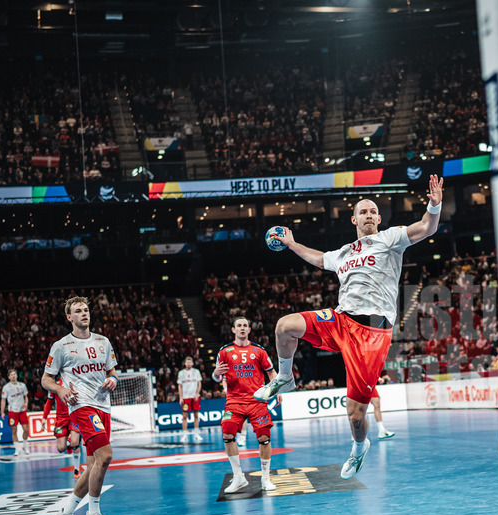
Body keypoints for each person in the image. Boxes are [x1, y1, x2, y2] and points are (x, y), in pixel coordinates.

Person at [254, 175, 444, 479]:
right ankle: (285, 377)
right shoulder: (343, 252)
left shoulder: (391, 238)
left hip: (372, 335)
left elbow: (425, 228)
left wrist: (434, 206)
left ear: (379, 218)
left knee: (356, 416)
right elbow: (318, 259)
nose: (368, 215)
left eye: (373, 211)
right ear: (354, 218)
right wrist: (291, 244)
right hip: (340, 320)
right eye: (363, 212)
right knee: (284, 326)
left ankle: (359, 448)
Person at [43, 296, 119, 515]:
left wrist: (113, 380)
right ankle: (93, 514)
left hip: (103, 405)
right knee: (105, 456)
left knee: (95, 463)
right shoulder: (61, 346)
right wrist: (61, 389)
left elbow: (113, 371)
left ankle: (65, 513)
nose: (84, 313)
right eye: (78, 311)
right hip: (81, 406)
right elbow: (46, 379)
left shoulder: (103, 342)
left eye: (86, 310)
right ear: (69, 317)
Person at [214, 317, 278, 494]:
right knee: (227, 433)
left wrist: (277, 391)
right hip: (234, 400)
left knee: (264, 437)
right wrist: (215, 374)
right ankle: (239, 477)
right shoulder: (225, 351)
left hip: (257, 400)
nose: (242, 328)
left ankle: (265, 479)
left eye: (245, 326)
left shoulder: (259, 350)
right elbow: (217, 377)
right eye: (239, 326)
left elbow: (271, 372)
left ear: (249, 329)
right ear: (233, 330)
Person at [42, 376, 84, 477]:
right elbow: (49, 402)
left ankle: (76, 470)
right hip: (61, 419)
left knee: (75, 442)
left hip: (74, 415)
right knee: (61, 448)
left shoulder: (75, 380)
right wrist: (44, 418)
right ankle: (70, 444)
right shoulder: (55, 385)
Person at [0, 369, 30, 456]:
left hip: (22, 411)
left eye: (14, 374)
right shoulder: (6, 388)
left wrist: (26, 403)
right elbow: (3, 400)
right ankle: (17, 449)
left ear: (17, 376)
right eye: (11, 375)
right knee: (14, 430)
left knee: (26, 429)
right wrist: (2, 412)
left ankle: (25, 445)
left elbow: (26, 397)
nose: (13, 376)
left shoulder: (22, 385)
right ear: (9, 377)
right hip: (12, 411)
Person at [177, 356, 203, 441]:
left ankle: (196, 434)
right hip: (186, 398)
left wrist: (197, 394)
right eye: (187, 362)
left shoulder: (196, 372)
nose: (188, 363)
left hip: (194, 397)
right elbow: (179, 386)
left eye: (190, 362)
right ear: (185, 363)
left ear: (192, 363)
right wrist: (181, 397)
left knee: (196, 415)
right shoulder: (181, 373)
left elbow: (199, 384)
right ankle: (184, 435)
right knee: (185, 416)